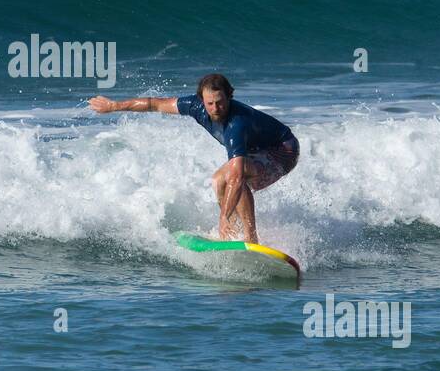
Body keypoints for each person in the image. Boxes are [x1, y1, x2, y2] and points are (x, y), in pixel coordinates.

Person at [88, 73, 298, 244]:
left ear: (229, 96)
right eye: (210, 103)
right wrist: (114, 106)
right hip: (258, 149)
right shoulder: (195, 106)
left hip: (283, 151)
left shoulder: (237, 124)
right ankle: (232, 233)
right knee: (218, 180)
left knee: (235, 176)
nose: (216, 109)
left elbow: (236, 178)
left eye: (220, 102)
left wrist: (223, 215)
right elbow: (155, 104)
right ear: (201, 100)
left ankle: (251, 239)